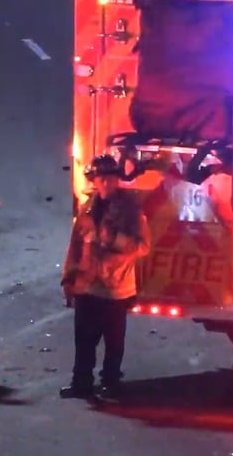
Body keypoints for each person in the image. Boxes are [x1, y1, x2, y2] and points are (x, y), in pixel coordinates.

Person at [60, 154, 151, 401]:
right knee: (84, 340)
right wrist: (68, 278)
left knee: (113, 342)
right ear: (94, 181)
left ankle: (110, 383)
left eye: (111, 178)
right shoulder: (87, 209)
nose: (106, 183)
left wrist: (113, 239)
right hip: (87, 285)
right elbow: (75, 245)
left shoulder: (131, 211)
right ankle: (81, 384)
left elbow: (143, 246)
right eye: (101, 179)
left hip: (115, 288)